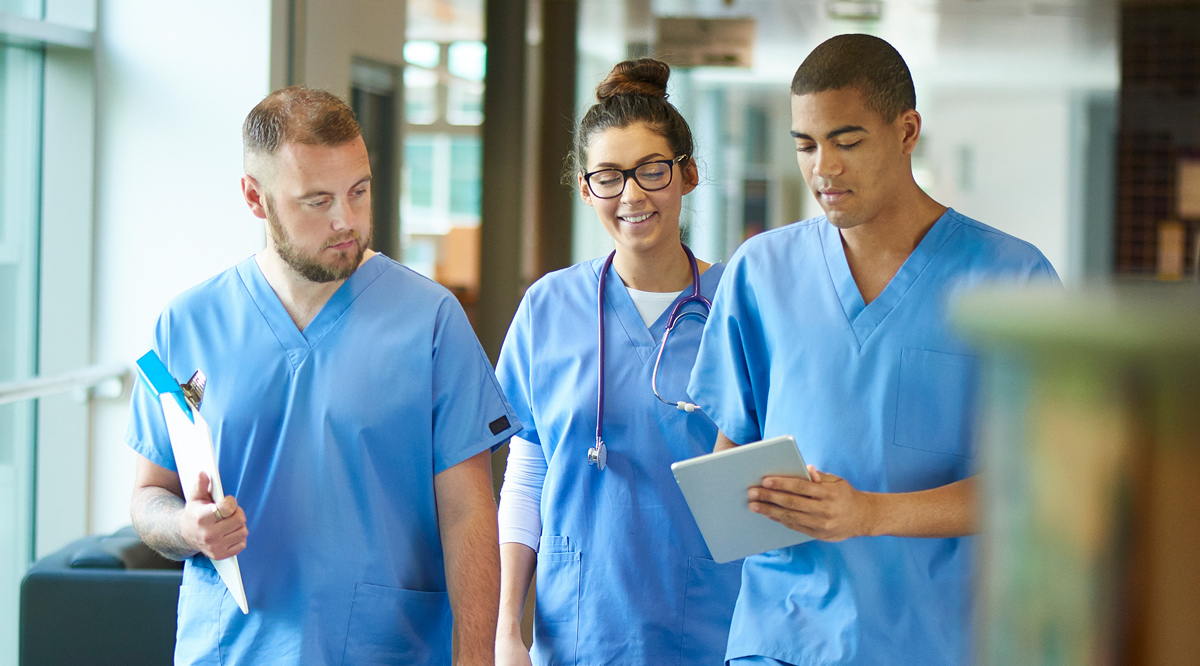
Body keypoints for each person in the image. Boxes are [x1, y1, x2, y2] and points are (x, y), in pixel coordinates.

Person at [688, 34, 1060, 666]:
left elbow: (1036, 488)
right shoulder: (761, 271)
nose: (823, 169)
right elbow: (732, 458)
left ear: (907, 130)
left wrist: (867, 513)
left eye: (847, 141)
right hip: (780, 640)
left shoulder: (1010, 280)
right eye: (806, 145)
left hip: (934, 641)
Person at [125, 86, 520, 666]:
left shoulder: (430, 321)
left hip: (387, 649)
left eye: (359, 192)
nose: (347, 220)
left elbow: (469, 513)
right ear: (255, 198)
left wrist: (475, 658)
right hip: (230, 650)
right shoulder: (188, 323)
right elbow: (147, 496)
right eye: (317, 201)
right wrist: (187, 527)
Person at [493, 58, 741, 666]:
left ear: (688, 175)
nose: (632, 194)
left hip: (714, 631)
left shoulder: (738, 309)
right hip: (580, 633)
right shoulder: (548, 308)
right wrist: (506, 629)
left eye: (652, 171)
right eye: (608, 176)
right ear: (585, 187)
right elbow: (527, 472)